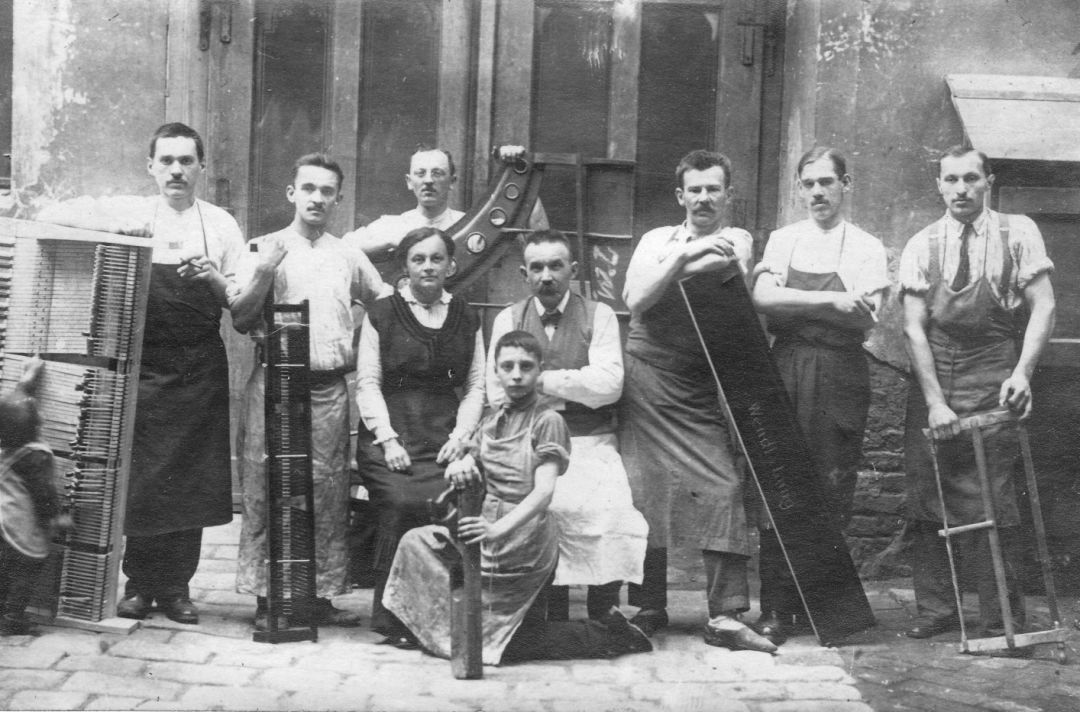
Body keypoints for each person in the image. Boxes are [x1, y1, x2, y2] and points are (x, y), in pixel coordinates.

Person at [37, 123, 244, 625]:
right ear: (150, 166)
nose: (176, 170)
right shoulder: (130, 211)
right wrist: (116, 232)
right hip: (144, 368)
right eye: (166, 160)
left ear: (201, 167)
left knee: (190, 481)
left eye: (186, 161)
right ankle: (139, 585)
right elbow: (49, 214)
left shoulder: (220, 225)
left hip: (198, 370)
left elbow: (240, 299)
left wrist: (214, 277)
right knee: (146, 479)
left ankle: (177, 588)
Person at [383, 330, 653, 663]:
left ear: (540, 371)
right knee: (415, 542)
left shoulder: (548, 421)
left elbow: (544, 492)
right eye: (507, 366)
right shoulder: (493, 420)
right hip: (485, 532)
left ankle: (609, 634)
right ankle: (452, 630)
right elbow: (472, 458)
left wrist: (497, 529)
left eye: (526, 366)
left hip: (523, 542)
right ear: (495, 371)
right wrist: (462, 464)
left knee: (504, 644)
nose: (516, 375)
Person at [618, 149, 776, 653]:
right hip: (647, 377)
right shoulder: (655, 239)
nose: (704, 198)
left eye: (713, 189)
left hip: (699, 381)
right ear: (680, 195)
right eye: (695, 189)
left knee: (723, 486)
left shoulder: (739, 238)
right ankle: (648, 606)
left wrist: (670, 267)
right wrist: (686, 255)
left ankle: (725, 614)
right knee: (647, 491)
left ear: (728, 195)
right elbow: (634, 299)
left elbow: (727, 271)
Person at [899, 145, 1055, 640]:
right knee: (928, 493)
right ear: (939, 186)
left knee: (994, 497)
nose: (961, 189)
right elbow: (913, 328)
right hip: (934, 377)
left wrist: (1023, 373)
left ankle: (999, 619)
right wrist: (934, 402)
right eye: (951, 180)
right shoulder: (922, 243)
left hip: (993, 371)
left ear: (989, 181)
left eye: (971, 178)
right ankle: (937, 610)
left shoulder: (1017, 232)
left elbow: (1044, 305)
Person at [230, 154, 390, 630]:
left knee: (327, 487)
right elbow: (240, 317)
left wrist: (357, 346)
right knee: (267, 485)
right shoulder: (263, 247)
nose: (317, 198)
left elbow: (385, 307)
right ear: (292, 193)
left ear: (338, 199)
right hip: (274, 386)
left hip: (328, 389)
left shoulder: (348, 255)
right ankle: (268, 595)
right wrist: (265, 271)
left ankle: (318, 594)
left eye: (326, 191)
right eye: (308, 188)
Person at [750, 147, 888, 645]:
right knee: (778, 480)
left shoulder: (867, 247)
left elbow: (867, 314)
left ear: (845, 185)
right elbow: (763, 298)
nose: (817, 192)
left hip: (839, 373)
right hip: (786, 367)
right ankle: (775, 609)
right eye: (808, 183)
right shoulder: (784, 240)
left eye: (826, 182)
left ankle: (819, 607)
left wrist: (795, 303)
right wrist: (831, 298)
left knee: (830, 487)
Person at [486, 229, 647, 621]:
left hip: (591, 441)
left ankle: (603, 611)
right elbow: (497, 392)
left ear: (572, 270)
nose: (546, 276)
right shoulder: (508, 318)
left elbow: (609, 386)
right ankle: (550, 610)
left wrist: (542, 381)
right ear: (524, 273)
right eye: (537, 267)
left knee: (609, 509)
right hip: (529, 443)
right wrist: (576, 387)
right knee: (544, 509)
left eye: (556, 266)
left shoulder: (599, 315)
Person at [355, 226, 485, 645]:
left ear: (451, 265)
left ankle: (447, 611)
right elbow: (368, 383)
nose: (428, 266)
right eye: (418, 259)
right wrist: (388, 439)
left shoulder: (466, 315)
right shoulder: (381, 313)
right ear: (405, 266)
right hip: (390, 438)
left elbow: (476, 386)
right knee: (401, 501)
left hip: (443, 437)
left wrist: (462, 435)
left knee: (456, 497)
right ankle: (394, 616)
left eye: (436, 258)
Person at [343, 145, 547, 266]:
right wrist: (387, 242)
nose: (428, 180)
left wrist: (518, 167)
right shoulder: (391, 225)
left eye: (437, 173)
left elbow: (541, 244)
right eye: (420, 173)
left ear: (452, 181)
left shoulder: (472, 226)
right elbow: (340, 251)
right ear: (409, 181)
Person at [0, 358, 72, 635]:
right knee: (27, 569)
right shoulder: (35, 456)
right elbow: (44, 494)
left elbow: (16, 402)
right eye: (37, 412)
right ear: (33, 426)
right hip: (20, 527)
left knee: (3, 571)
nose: (41, 412)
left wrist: (28, 375)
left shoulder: (8, 441)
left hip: (2, 521)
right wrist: (56, 518)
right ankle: (12, 617)